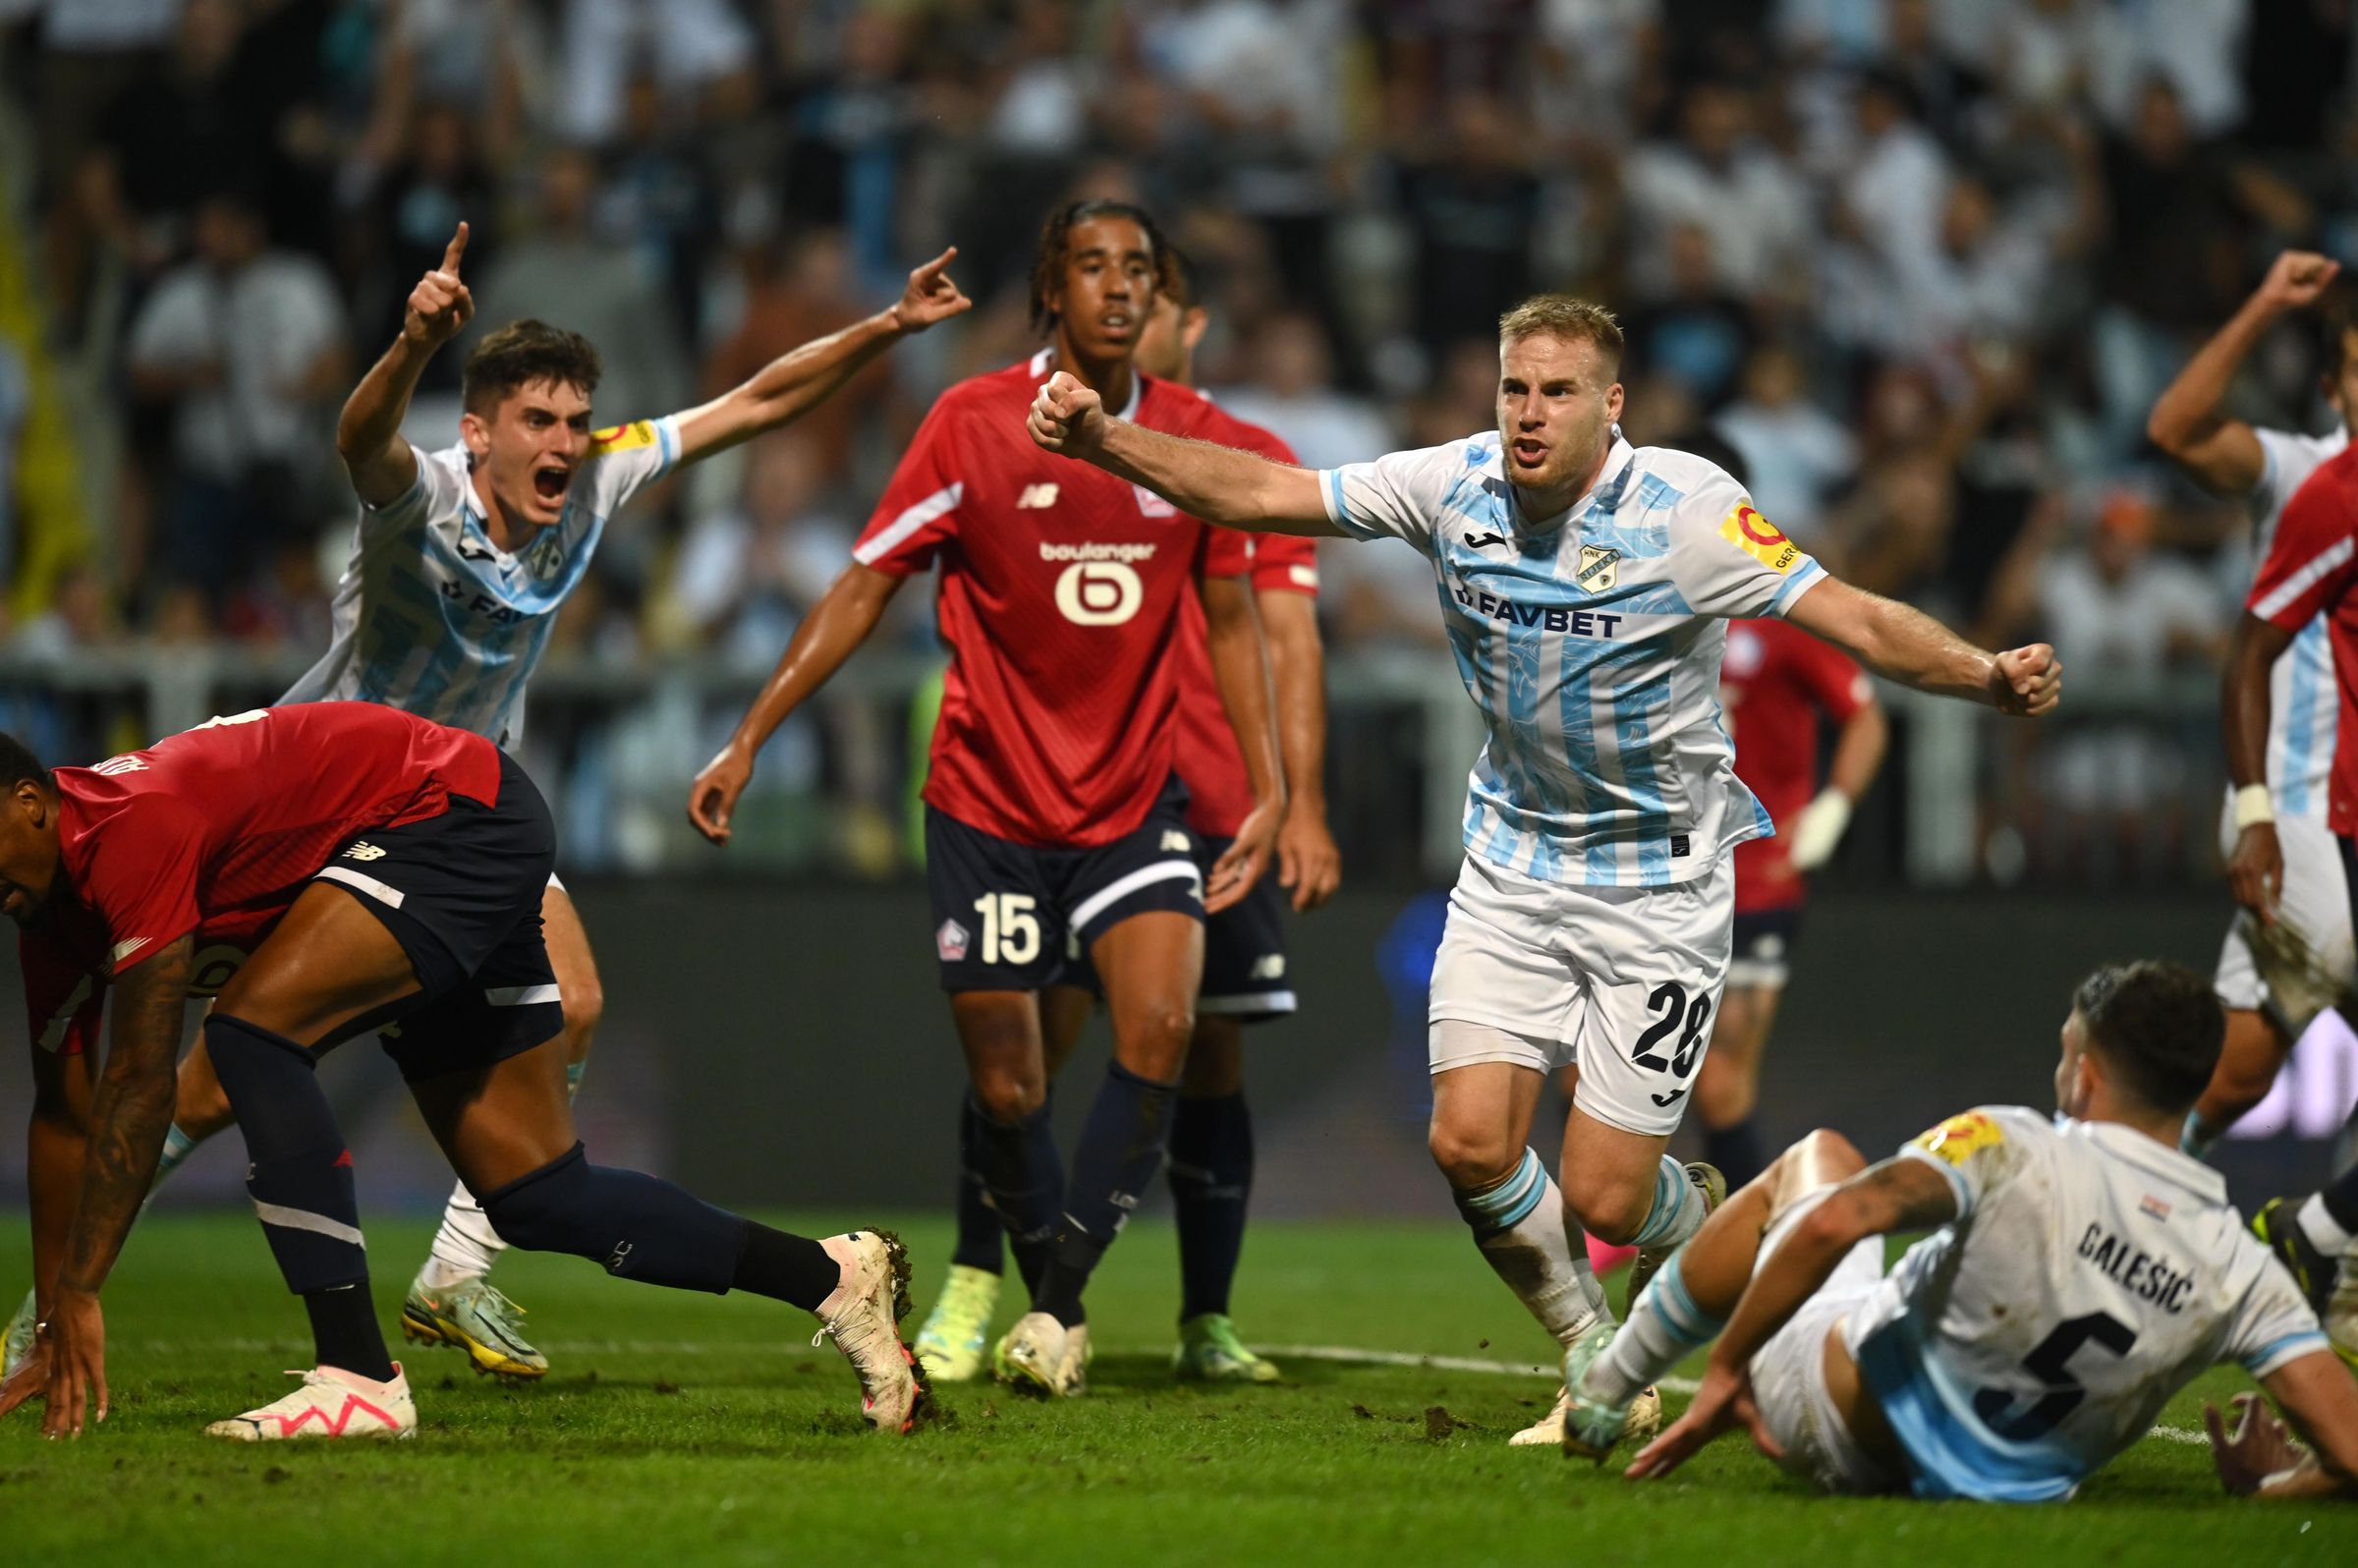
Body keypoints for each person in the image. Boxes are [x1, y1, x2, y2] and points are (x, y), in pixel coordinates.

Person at [1024, 292, 2060, 1444]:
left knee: (1612, 1196)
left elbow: (1854, 619)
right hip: (1512, 868)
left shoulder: (1690, 512)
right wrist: (1107, 440)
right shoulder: (1452, 484)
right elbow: (1267, 494)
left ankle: (1694, 1210)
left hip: (1659, 889)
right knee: (1468, 1142)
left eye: (1557, 392)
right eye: (1516, 387)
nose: (1528, 413)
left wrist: (1982, 674)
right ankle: (1590, 1356)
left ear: (1610, 406)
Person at [0, 222, 971, 1384]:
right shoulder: (423, 498)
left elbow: (759, 402)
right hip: (336, 814)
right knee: (222, 1071)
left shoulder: (602, 472)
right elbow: (358, 439)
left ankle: (452, 1275)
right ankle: (57, 1305)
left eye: (574, 421)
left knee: (578, 1004)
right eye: (538, 422)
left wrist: (885, 327)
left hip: (468, 810)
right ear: (478, 431)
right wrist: (412, 344)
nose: (564, 444)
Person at [688, 201, 1284, 1399]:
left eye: (1139, 270)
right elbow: (865, 584)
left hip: (1131, 806)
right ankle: (994, 1286)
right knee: (1011, 1088)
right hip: (989, 808)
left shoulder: (1192, 441)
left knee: (1161, 1031)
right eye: (1092, 266)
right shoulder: (971, 423)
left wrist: (1268, 789)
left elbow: (1230, 619)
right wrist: (751, 735)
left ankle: (1056, 1309)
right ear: (1052, 291)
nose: (1119, 289)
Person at [0, 704, 922, 1441]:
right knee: (537, 1197)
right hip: (449, 831)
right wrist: (49, 1325)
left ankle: (358, 1378)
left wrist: (79, 1288)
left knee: (250, 1035)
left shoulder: (129, 831)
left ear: (30, 802)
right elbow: (63, 1121)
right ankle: (835, 1277)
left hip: (448, 815)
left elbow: (140, 1079)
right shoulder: (46, 915)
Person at [911, 247, 1339, 1385]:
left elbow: (1287, 635)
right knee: (1023, 1049)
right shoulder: (1025, 427)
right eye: (1100, 285)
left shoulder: (1244, 458)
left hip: (1207, 802)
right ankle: (977, 1278)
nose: (1120, 316)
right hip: (1071, 797)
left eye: (1142, 294)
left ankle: (1206, 1318)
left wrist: (1300, 801)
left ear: (1182, 321)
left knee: (1209, 1050)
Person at [1562, 962, 2358, 1503]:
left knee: (1821, 1160)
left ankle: (1608, 1383)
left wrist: (1727, 1368)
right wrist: (2271, 1489)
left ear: (2083, 1073)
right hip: (2003, 1492)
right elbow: (2352, 1455)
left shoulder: (2014, 1145)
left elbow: (1840, 1219)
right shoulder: (2243, 1268)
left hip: (1832, 1421)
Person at [2146, 252, 2354, 1152]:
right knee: (2328, 957)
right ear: (2332, 389)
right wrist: (2265, 303)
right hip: (2293, 799)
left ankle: (2114, 1178)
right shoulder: (2305, 473)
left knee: (2236, 1071)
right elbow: (2176, 428)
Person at [2224, 421, 2358, 1366]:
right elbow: (2249, 653)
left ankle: (2321, 1242)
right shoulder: (2336, 493)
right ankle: (2083, 1192)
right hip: (2323, 815)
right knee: (2235, 1067)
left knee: (2238, 1062)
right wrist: (2256, 812)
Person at [1704, 613, 1885, 1189]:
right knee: (1588, 1072)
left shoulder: (1782, 618)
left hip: (1758, 881)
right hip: (1661, 877)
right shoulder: (1651, 601)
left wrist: (1831, 811)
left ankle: (1754, 1245)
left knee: (1720, 1083)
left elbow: (1865, 718)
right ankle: (1618, 1222)